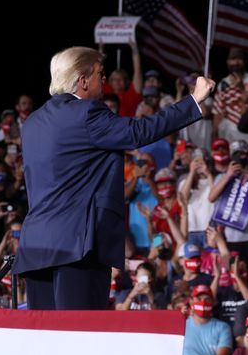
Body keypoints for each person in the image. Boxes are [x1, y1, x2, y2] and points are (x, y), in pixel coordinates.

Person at [14, 46, 214, 310]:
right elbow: (139, 132)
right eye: (100, 73)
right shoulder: (86, 113)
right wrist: (194, 100)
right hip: (78, 249)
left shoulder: (32, 123)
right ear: (82, 80)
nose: (104, 80)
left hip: (36, 247)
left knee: (46, 340)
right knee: (79, 338)